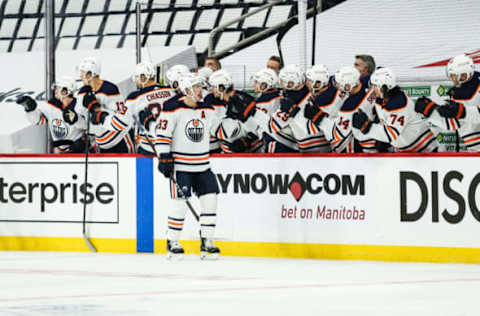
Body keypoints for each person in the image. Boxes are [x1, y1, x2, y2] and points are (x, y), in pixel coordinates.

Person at [154, 73, 221, 259]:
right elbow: (162, 135)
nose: (201, 90)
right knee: (180, 204)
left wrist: (237, 119)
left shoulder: (207, 108)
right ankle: (172, 240)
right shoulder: (172, 108)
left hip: (203, 165)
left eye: (201, 86)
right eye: (197, 87)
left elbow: (219, 130)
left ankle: (207, 240)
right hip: (181, 166)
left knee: (210, 200)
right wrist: (164, 156)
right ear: (187, 89)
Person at [352, 67, 438, 152]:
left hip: (424, 150)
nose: (373, 89)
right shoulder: (381, 98)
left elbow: (390, 134)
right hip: (405, 151)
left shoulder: (399, 102)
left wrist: (368, 127)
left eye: (375, 85)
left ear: (383, 87)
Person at [414, 54, 480, 151]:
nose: (452, 79)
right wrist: (432, 111)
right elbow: (454, 123)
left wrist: (463, 112)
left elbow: (468, 114)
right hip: (474, 149)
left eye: (454, 76)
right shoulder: (457, 93)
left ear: (464, 75)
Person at [306, 66, 377, 153]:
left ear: (348, 86)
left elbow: (338, 137)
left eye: (339, 84)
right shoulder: (369, 83)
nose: (337, 87)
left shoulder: (349, 107)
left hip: (357, 149)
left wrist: (319, 119)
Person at [76, 57, 135, 153]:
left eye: (83, 73)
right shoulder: (82, 93)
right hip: (101, 143)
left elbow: (122, 117)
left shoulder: (110, 89)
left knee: (127, 168)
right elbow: (83, 119)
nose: (81, 76)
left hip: (120, 140)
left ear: (91, 74)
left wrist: (98, 110)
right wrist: (74, 117)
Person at [16, 76, 88, 153]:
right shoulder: (51, 105)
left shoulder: (80, 105)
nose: (55, 91)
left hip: (79, 152)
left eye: (58, 88)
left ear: (65, 91)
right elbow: (38, 121)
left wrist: (76, 119)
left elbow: (87, 126)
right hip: (59, 152)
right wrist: (30, 109)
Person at [206, 69, 263, 153]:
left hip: (253, 149)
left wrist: (248, 140)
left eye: (214, 87)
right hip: (225, 149)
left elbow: (258, 126)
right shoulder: (211, 99)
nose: (211, 90)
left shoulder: (245, 100)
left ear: (221, 88)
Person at [126, 61, 174, 155]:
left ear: (143, 77)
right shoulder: (171, 91)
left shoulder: (135, 97)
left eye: (137, 77)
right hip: (169, 144)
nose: (136, 81)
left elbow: (122, 121)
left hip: (147, 146)